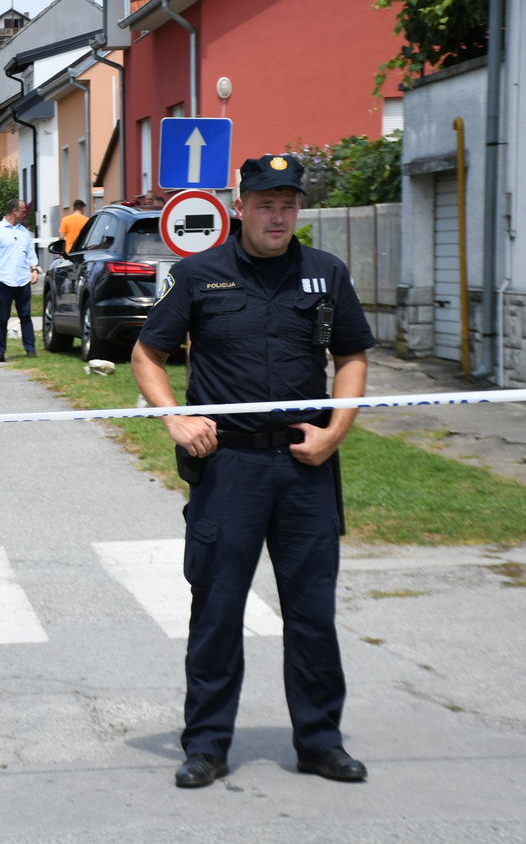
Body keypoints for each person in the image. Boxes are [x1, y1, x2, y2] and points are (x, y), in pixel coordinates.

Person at [131, 155, 376, 789]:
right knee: (216, 610)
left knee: (312, 611)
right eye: (266, 203)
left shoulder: (325, 273)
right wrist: (176, 420)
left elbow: (350, 357)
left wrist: (336, 433)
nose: (278, 215)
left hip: (305, 464)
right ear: (241, 206)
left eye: (289, 204)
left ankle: (320, 741)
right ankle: (207, 745)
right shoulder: (199, 276)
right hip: (229, 467)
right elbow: (147, 355)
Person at [0, 198, 39, 362]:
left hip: (22, 280)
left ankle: (30, 349)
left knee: (25, 316)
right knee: (2, 318)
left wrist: (34, 269)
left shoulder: (24, 232)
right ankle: (0, 351)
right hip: (4, 281)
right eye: (22, 211)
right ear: (14, 211)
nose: (24, 214)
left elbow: (31, 253)